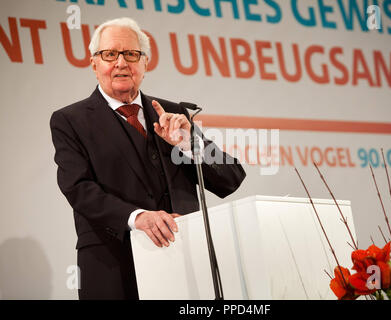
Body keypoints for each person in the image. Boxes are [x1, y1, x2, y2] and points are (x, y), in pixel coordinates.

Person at [50, 17, 246, 300]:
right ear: (94, 64)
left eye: (131, 54)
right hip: (113, 265)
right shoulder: (71, 120)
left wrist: (190, 145)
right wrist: (138, 217)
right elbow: (78, 188)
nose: (121, 63)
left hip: (186, 264)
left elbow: (232, 177)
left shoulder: (173, 112)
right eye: (109, 54)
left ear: (145, 63)